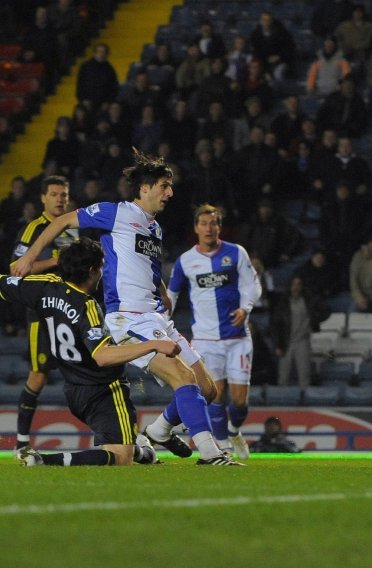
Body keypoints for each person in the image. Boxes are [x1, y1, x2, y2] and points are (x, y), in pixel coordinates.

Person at [13, 150, 242, 466]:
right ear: (145, 188)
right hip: (128, 317)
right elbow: (65, 220)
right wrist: (29, 257)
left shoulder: (155, 228)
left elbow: (147, 264)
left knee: (208, 388)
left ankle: (160, 430)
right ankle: (210, 453)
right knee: (184, 381)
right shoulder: (116, 213)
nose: (170, 193)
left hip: (155, 315)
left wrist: (161, 289)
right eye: (164, 186)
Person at [5, 238, 176, 466]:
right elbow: (102, 356)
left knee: (123, 446)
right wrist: (154, 345)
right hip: (104, 392)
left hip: (73, 390)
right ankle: (43, 461)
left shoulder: (43, 286)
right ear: (92, 270)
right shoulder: (87, 307)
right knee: (120, 458)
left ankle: (141, 451)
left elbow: (5, 284)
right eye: (101, 267)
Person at [167, 205, 262, 459]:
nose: (209, 228)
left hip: (237, 337)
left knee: (240, 402)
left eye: (213, 223)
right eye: (204, 223)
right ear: (196, 228)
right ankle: (223, 447)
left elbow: (253, 285)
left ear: (219, 227)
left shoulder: (235, 253)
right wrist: (161, 320)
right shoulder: (186, 260)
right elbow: (171, 295)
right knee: (216, 395)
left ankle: (233, 430)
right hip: (207, 340)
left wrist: (245, 308)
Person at [9, 175, 78, 459]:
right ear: (43, 198)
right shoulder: (34, 228)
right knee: (38, 375)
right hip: (41, 313)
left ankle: (109, 434)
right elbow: (16, 266)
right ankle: (22, 442)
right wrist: (55, 261)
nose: (60, 198)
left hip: (71, 310)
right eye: (54, 194)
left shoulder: (72, 226)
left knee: (88, 371)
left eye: (63, 194)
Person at [271, 276, 331, 388]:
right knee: (283, 374)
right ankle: (281, 399)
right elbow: (275, 325)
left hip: (302, 340)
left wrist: (314, 320)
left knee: (304, 373)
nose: (296, 287)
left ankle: (304, 399)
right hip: (286, 341)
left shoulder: (309, 300)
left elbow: (326, 310)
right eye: (294, 284)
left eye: (299, 284)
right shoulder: (283, 302)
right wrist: (277, 345)